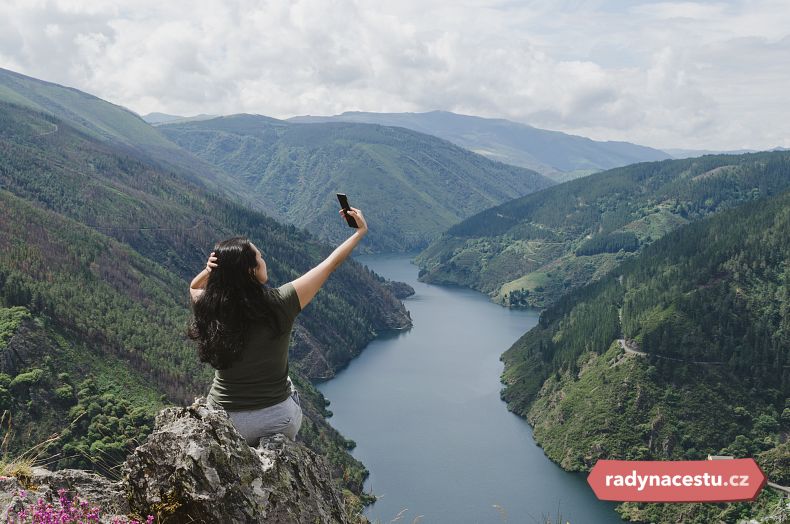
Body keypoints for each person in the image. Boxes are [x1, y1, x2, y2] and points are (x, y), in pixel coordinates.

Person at [187, 206, 368, 445]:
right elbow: (328, 265)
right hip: (276, 422)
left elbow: (195, 288)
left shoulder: (209, 307)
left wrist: (209, 271)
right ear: (251, 270)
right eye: (260, 258)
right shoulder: (280, 303)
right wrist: (359, 232)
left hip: (223, 423)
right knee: (290, 386)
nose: (264, 261)